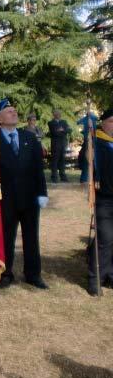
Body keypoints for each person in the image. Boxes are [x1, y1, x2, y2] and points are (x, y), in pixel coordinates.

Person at [0, 99, 49, 289]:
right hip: (5, 198)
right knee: (6, 237)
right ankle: (5, 273)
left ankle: (33, 274)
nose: (14, 113)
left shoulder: (29, 137)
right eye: (9, 111)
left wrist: (42, 193)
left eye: (15, 111)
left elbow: (38, 169)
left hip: (29, 197)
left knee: (31, 236)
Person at [86, 108, 113, 296]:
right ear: (103, 123)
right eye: (112, 121)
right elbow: (85, 162)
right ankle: (95, 278)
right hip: (104, 198)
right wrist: (89, 152)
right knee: (105, 238)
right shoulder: (97, 141)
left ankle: (110, 275)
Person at [48, 109, 71, 183]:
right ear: (54, 115)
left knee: (62, 160)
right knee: (55, 161)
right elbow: (54, 132)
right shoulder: (51, 123)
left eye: (59, 113)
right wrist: (63, 131)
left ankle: (63, 176)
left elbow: (69, 130)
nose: (59, 115)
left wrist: (62, 130)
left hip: (62, 144)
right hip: (55, 144)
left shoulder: (64, 122)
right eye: (57, 113)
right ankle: (54, 177)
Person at [77, 110, 99, 183]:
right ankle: (84, 179)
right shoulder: (86, 119)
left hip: (93, 142)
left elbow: (97, 119)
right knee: (86, 160)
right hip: (87, 142)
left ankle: (94, 178)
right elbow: (78, 122)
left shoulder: (93, 118)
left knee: (94, 160)